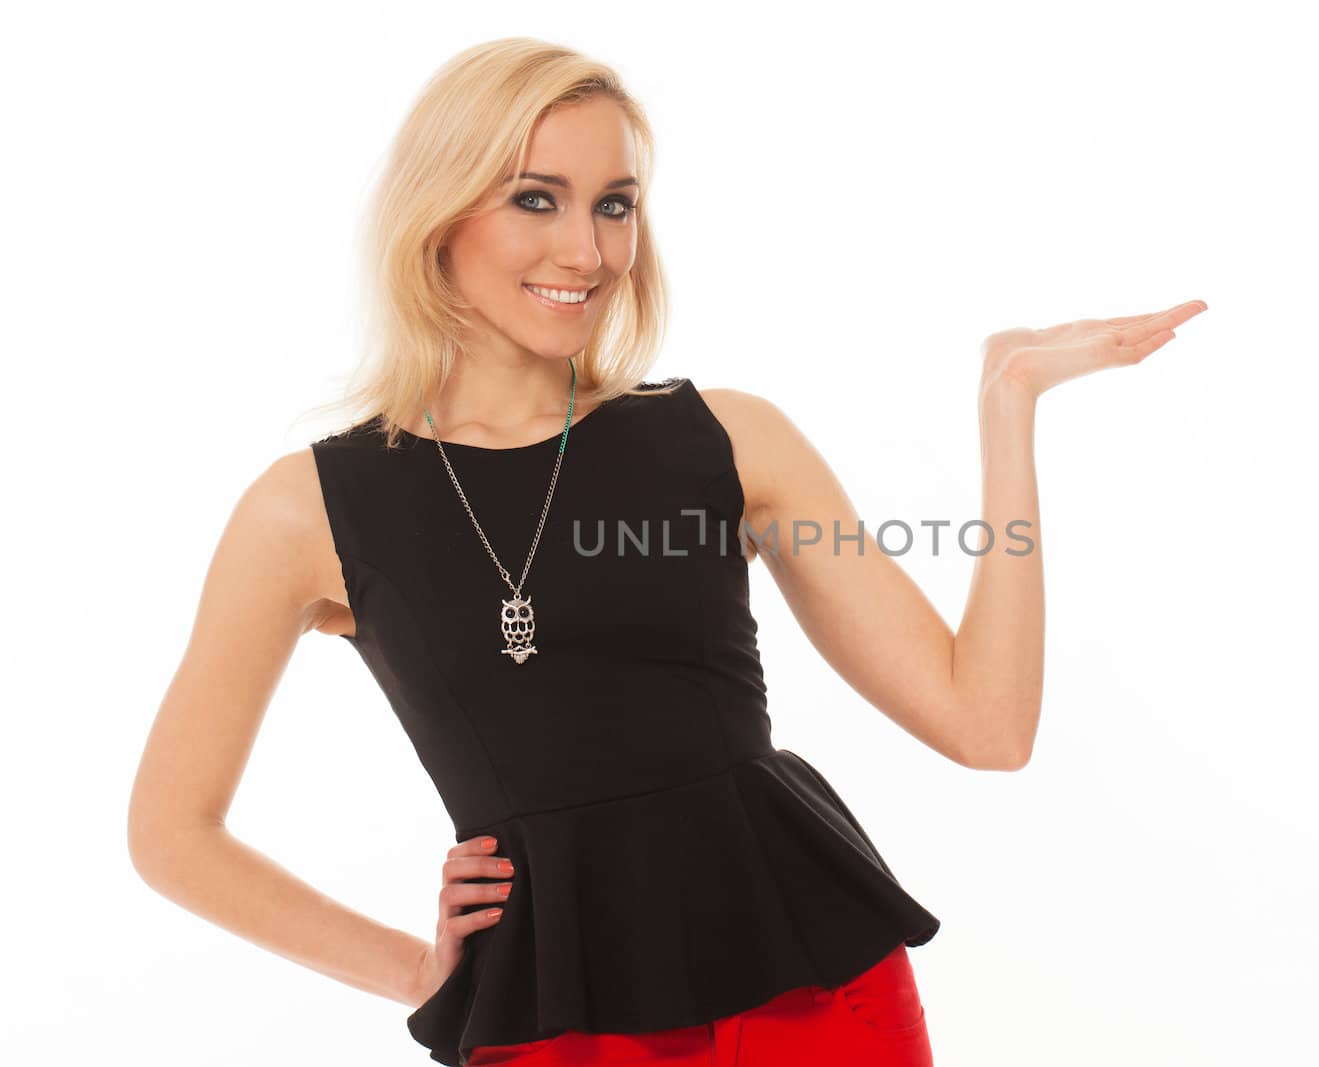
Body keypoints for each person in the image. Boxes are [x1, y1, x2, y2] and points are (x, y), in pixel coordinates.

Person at [126, 36, 1205, 1067]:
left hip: (811, 986)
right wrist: (419, 969)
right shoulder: (308, 507)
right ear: (438, 212)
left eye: (615, 204)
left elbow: (986, 724)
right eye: (534, 198)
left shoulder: (727, 439)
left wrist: (1005, 406)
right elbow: (172, 833)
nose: (585, 251)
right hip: (555, 1015)